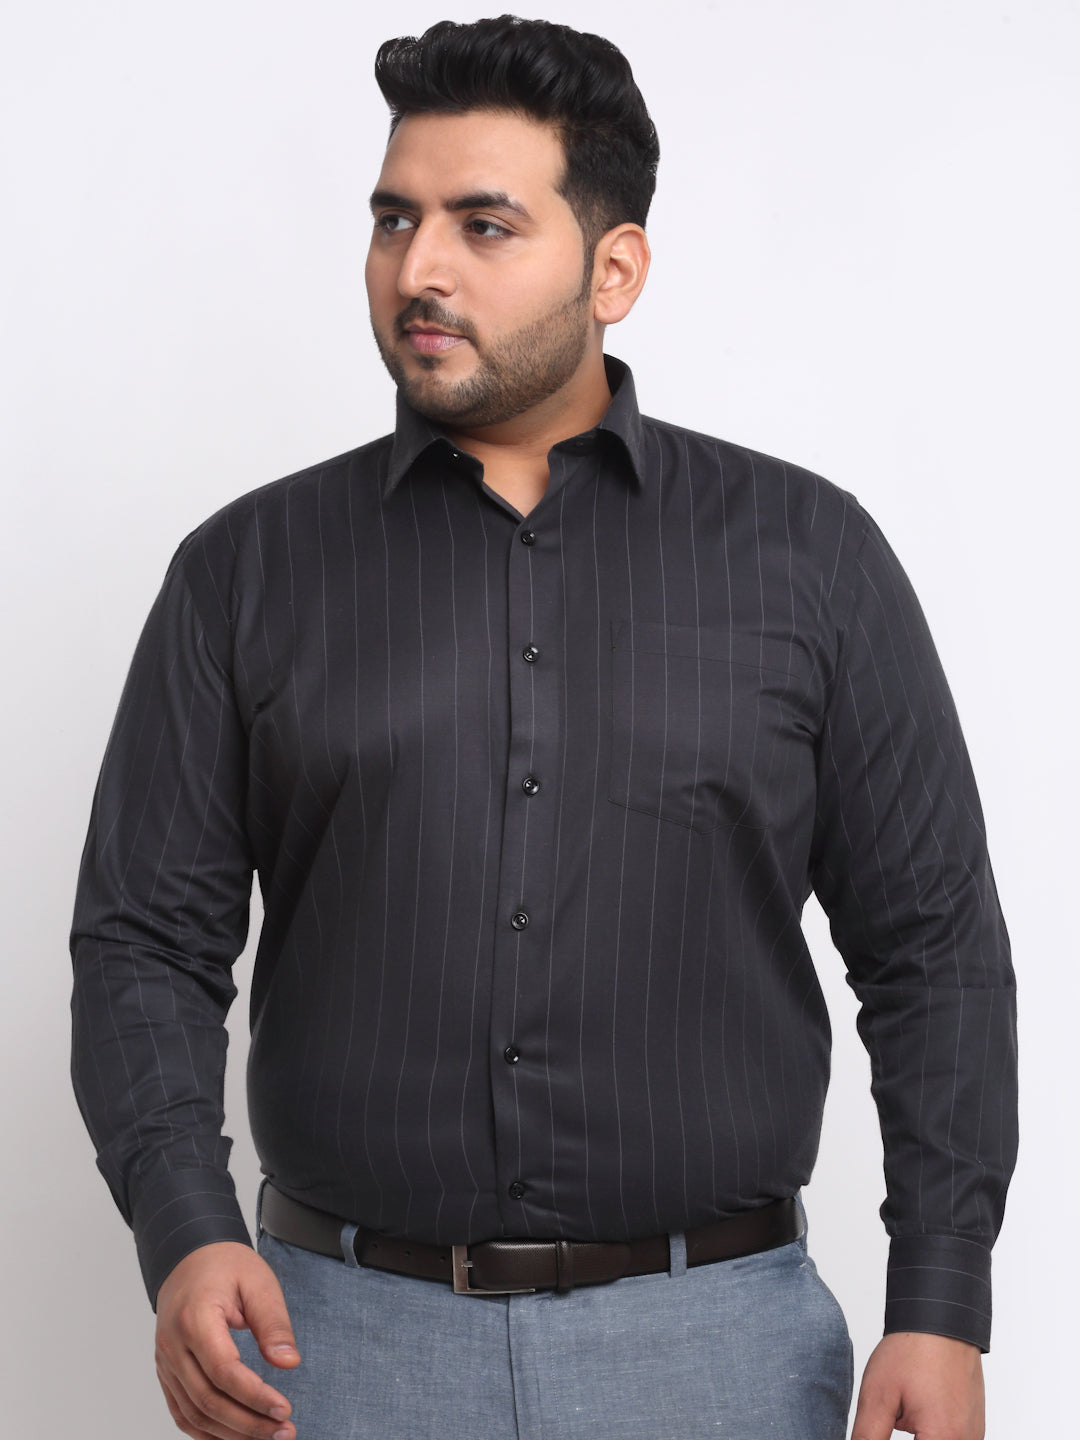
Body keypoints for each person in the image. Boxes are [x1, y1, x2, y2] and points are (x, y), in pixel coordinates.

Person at [70, 15, 1016, 1440]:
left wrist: (941, 1301)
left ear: (613, 270)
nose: (419, 268)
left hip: (716, 1354)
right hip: (332, 1348)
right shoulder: (245, 573)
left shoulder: (809, 560)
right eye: (395, 219)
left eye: (485, 224)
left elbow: (935, 950)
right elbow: (145, 941)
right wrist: (186, 1229)